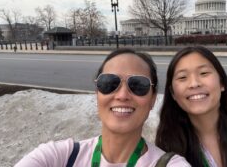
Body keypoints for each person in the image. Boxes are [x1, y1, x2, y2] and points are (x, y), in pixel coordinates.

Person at [15, 48, 190, 167]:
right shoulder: (59, 157)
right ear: (97, 93)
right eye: (109, 83)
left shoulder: (170, 164)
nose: (122, 95)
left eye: (138, 85)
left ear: (152, 99)